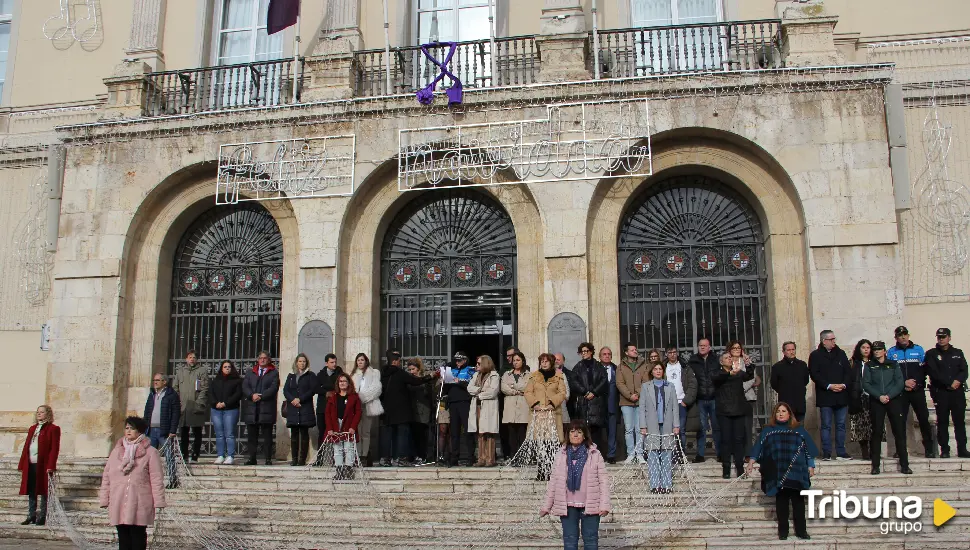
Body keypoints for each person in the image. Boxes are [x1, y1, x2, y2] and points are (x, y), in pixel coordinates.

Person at [745, 402, 817, 541]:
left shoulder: (799, 430)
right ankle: (783, 532)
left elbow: (808, 449)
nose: (781, 413)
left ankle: (801, 531)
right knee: (781, 502)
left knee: (798, 502)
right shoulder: (768, 430)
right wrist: (751, 462)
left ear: (789, 413)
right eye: (778, 411)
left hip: (797, 470)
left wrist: (811, 465)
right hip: (778, 472)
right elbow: (758, 448)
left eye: (784, 411)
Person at [540, 420, 611, 550]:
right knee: (569, 541)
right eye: (572, 432)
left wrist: (605, 504)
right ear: (568, 435)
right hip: (568, 506)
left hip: (590, 505)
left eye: (579, 432)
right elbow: (553, 482)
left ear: (584, 435)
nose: (575, 435)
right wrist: (546, 506)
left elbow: (604, 481)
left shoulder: (594, 454)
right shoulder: (561, 454)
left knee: (590, 540)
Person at [99, 416, 166, 550]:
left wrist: (159, 500)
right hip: (119, 499)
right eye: (127, 428)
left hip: (139, 500)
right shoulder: (116, 451)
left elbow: (156, 477)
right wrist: (104, 498)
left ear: (140, 431)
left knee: (138, 537)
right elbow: (107, 476)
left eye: (132, 428)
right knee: (123, 537)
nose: (129, 431)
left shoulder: (150, 452)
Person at [862, 341, 912, 475]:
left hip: (893, 400)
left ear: (884, 351)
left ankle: (905, 465)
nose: (877, 351)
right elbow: (866, 384)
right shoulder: (869, 365)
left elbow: (899, 382)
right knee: (876, 432)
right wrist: (879, 396)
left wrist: (889, 395)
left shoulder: (893, 364)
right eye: (875, 349)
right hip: (877, 401)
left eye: (879, 349)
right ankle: (876, 465)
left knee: (899, 432)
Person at [379, 350, 433, 466]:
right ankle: (401, 458)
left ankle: (385, 458)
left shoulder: (382, 374)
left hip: (386, 410)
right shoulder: (400, 373)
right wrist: (430, 376)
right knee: (402, 434)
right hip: (401, 410)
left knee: (388, 435)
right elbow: (415, 381)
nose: (399, 363)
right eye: (399, 361)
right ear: (394, 361)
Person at [887, 326, 935, 458]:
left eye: (905, 334)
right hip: (900, 392)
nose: (903, 337)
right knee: (899, 421)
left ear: (908, 335)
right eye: (900, 335)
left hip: (917, 390)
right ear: (896, 337)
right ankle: (900, 449)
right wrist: (903, 383)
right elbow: (891, 372)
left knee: (923, 419)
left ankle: (929, 449)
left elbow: (924, 370)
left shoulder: (918, 349)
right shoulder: (891, 352)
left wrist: (916, 383)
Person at [925, 328, 969, 458]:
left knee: (959, 421)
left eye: (944, 337)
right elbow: (933, 372)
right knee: (942, 421)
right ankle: (945, 449)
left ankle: (962, 449)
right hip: (941, 392)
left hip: (957, 392)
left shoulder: (957, 353)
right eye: (939, 337)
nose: (941, 339)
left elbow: (964, 370)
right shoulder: (931, 354)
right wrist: (948, 383)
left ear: (949, 337)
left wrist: (958, 381)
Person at [809, 330, 852, 461]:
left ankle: (841, 451)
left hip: (841, 394)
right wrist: (829, 385)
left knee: (840, 425)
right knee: (826, 425)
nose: (834, 341)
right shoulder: (815, 355)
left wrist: (843, 385)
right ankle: (826, 452)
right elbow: (814, 374)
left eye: (834, 339)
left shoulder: (841, 353)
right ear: (824, 341)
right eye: (831, 339)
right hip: (826, 395)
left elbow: (848, 372)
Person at [713, 351, 755, 478]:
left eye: (730, 357)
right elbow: (716, 378)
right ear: (721, 361)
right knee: (726, 440)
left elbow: (748, 376)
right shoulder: (718, 373)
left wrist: (748, 364)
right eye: (726, 358)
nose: (729, 359)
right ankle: (726, 468)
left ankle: (739, 467)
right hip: (724, 411)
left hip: (738, 410)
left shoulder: (738, 372)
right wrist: (728, 373)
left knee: (738, 440)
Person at [639, 363, 679, 493]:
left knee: (667, 454)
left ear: (663, 371)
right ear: (652, 371)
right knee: (653, 454)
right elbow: (642, 408)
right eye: (655, 369)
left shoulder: (670, 386)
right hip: (651, 425)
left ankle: (667, 485)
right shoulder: (646, 387)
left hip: (667, 425)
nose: (657, 371)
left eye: (660, 369)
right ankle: (655, 485)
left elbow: (674, 407)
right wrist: (643, 426)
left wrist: (676, 425)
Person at [18, 405, 60, 526]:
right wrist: (22, 463)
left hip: (43, 464)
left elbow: (54, 448)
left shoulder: (53, 429)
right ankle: (31, 515)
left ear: (48, 414)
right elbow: (27, 446)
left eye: (41, 412)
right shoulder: (32, 428)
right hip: (30, 463)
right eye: (38, 412)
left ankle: (42, 516)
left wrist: (51, 465)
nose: (39, 414)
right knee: (31, 489)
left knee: (43, 489)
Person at [568, 342, 609, 452]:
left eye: (586, 351)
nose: (584, 353)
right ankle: (584, 452)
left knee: (596, 430)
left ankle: (596, 453)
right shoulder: (578, 367)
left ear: (591, 352)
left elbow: (604, 380)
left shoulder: (599, 366)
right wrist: (585, 392)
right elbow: (574, 382)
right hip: (583, 401)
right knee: (584, 429)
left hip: (596, 402)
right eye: (582, 352)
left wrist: (594, 392)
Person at [242, 351, 280, 465]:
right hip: (252, 408)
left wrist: (261, 396)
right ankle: (252, 458)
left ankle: (268, 458)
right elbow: (245, 386)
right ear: (258, 360)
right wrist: (251, 395)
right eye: (260, 358)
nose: (262, 360)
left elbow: (274, 387)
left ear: (268, 360)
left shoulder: (273, 373)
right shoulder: (250, 373)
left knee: (267, 435)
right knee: (252, 436)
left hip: (266, 408)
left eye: (265, 358)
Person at [143, 373, 179, 487]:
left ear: (164, 382)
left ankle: (173, 480)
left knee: (169, 456)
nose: (155, 382)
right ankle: (148, 480)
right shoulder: (152, 394)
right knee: (149, 457)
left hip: (164, 431)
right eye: (154, 380)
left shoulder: (171, 395)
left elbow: (175, 414)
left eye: (158, 380)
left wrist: (173, 430)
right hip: (151, 430)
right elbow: (147, 411)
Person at [688, 337, 721, 463]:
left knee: (716, 427)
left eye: (705, 345)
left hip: (714, 397)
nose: (702, 347)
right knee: (700, 428)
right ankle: (700, 455)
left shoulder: (716, 360)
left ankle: (720, 453)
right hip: (700, 399)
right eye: (700, 345)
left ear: (709, 347)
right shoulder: (693, 360)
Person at [173, 350, 209, 463]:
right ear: (186, 359)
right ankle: (184, 455)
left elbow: (205, 388)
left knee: (197, 432)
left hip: (196, 406)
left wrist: (199, 402)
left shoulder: (202, 371)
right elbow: (175, 388)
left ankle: (195, 455)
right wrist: (177, 402)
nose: (192, 359)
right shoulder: (180, 372)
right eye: (190, 357)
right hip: (183, 407)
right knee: (184, 433)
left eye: (194, 357)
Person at [324, 373, 362, 479]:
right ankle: (339, 471)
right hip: (336, 425)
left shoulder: (354, 397)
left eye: (345, 381)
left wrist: (353, 427)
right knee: (338, 449)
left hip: (348, 425)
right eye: (340, 381)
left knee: (349, 448)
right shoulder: (332, 397)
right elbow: (327, 414)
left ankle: (349, 470)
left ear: (348, 383)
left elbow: (358, 412)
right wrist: (330, 429)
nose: (342, 383)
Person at [283, 353, 318, 466]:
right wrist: (292, 400)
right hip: (293, 408)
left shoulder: (310, 375)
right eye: (300, 361)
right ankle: (294, 458)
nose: (302, 363)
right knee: (294, 434)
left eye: (304, 361)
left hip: (304, 407)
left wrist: (300, 399)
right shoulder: (291, 375)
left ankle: (302, 459)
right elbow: (286, 390)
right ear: (296, 362)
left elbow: (312, 390)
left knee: (304, 433)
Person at [526, 353, 568, 444]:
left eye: (547, 361)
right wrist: (534, 404)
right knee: (537, 440)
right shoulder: (534, 376)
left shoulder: (558, 376)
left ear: (551, 362)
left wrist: (552, 404)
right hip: (538, 412)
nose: (544, 363)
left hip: (552, 412)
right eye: (542, 361)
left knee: (552, 441)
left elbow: (562, 392)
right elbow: (528, 392)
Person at [616, 343, 648, 464]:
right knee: (629, 429)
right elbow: (619, 383)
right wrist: (630, 395)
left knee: (640, 429)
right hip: (626, 402)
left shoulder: (643, 365)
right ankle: (630, 454)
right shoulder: (620, 367)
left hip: (640, 401)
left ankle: (639, 454)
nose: (635, 351)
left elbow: (646, 381)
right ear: (626, 352)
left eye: (636, 349)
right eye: (632, 350)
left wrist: (637, 394)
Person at [349, 352, 382, 466]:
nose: (360, 362)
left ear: (366, 361)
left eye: (362, 360)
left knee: (366, 432)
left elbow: (376, 389)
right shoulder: (353, 374)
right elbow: (351, 389)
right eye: (358, 360)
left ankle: (364, 455)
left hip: (367, 404)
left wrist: (362, 398)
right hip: (356, 407)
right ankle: (357, 455)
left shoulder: (374, 373)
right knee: (357, 431)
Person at [663, 346, 696, 461]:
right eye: (670, 352)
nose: (672, 354)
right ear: (666, 354)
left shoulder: (685, 367)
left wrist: (685, 401)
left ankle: (681, 455)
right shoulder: (662, 367)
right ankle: (670, 455)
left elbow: (693, 384)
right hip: (666, 404)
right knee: (668, 430)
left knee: (680, 429)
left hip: (680, 403)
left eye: (674, 352)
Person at [726, 340, 760, 451]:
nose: (736, 350)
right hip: (732, 400)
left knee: (747, 426)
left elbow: (752, 378)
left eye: (738, 348)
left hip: (747, 398)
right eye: (734, 348)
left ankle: (748, 452)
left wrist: (739, 389)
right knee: (734, 428)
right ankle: (736, 452)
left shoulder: (746, 361)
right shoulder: (727, 362)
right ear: (730, 350)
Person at [443, 351, 476, 466]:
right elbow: (446, 386)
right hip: (453, 403)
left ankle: (471, 457)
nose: (457, 362)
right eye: (456, 360)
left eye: (460, 360)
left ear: (465, 360)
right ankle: (454, 457)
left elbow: (472, 385)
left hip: (464, 402)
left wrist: (459, 382)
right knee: (454, 432)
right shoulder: (451, 370)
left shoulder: (470, 370)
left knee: (468, 431)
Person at [469, 355, 501, 467]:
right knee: (480, 432)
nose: (476, 365)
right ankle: (481, 459)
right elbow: (469, 388)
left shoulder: (494, 376)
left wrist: (479, 394)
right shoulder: (476, 375)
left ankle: (490, 459)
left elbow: (493, 392)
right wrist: (481, 390)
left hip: (488, 407)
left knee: (489, 432)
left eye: (479, 363)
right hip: (477, 407)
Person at [208, 360, 242, 465]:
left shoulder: (237, 381)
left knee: (230, 433)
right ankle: (220, 455)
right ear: (221, 368)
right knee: (219, 434)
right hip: (216, 409)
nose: (227, 368)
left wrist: (225, 403)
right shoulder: (215, 381)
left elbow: (238, 394)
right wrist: (215, 403)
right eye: (225, 367)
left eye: (229, 367)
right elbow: (210, 393)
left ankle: (230, 455)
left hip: (230, 409)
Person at [848, 340, 877, 460]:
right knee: (861, 425)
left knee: (874, 424)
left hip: (874, 397)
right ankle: (865, 450)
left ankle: (874, 450)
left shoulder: (875, 362)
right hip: (859, 397)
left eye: (868, 347)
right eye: (863, 347)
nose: (866, 350)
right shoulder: (853, 363)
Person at [501, 351, 532, 460]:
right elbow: (504, 388)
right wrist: (516, 391)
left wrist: (513, 386)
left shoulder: (529, 375)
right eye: (514, 360)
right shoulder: (506, 374)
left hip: (523, 406)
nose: (515, 362)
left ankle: (523, 457)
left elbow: (527, 387)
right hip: (510, 407)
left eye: (518, 360)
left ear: (522, 361)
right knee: (512, 434)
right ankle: (514, 456)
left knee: (522, 433)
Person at [769, 342, 810, 423]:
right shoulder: (777, 367)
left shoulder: (802, 365)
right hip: (785, 404)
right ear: (783, 352)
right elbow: (774, 383)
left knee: (799, 430)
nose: (791, 352)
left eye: (793, 349)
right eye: (788, 350)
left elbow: (805, 380)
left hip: (799, 404)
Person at [406, 358, 434, 464]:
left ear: (418, 368)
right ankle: (414, 455)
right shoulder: (409, 379)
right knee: (413, 435)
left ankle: (423, 455)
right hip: (413, 410)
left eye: (413, 369)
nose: (411, 372)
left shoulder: (425, 379)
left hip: (424, 410)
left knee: (422, 435)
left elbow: (429, 393)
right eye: (410, 370)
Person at [315, 354, 343, 446]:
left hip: (335, 407)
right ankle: (320, 458)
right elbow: (315, 388)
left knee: (336, 432)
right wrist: (325, 392)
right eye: (331, 362)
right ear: (326, 363)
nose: (334, 364)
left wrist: (326, 387)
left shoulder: (340, 373)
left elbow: (340, 386)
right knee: (322, 432)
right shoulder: (320, 374)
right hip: (322, 408)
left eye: (335, 362)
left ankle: (334, 458)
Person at [599, 347, 620, 464]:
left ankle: (611, 455)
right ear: (600, 356)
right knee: (599, 433)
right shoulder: (596, 368)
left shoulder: (616, 369)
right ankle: (599, 455)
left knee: (612, 431)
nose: (607, 356)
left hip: (612, 405)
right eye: (604, 354)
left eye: (609, 354)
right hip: (599, 406)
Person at [555, 353, 573, 434]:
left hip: (566, 406)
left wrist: (565, 398)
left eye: (558, 360)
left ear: (563, 361)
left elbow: (569, 391)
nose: (556, 361)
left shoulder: (569, 374)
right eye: (554, 359)